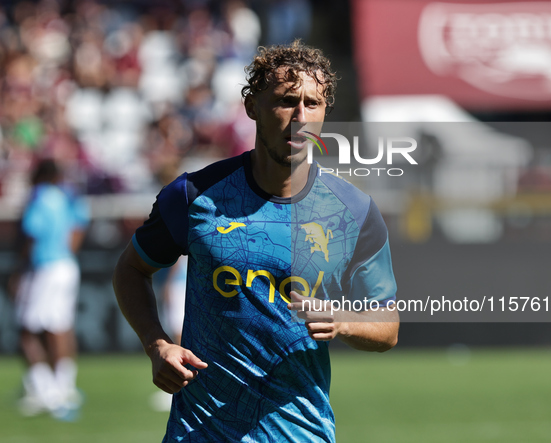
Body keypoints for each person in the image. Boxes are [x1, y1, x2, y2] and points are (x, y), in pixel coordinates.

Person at [113, 40, 399, 442]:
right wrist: (156, 344)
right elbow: (131, 268)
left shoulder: (353, 210)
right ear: (252, 107)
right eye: (285, 101)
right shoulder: (195, 195)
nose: (300, 116)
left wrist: (343, 321)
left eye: (312, 104)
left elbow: (387, 326)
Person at [9, 158, 89, 420]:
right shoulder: (68, 195)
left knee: (27, 330)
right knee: (61, 327)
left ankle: (47, 392)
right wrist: (67, 252)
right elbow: (79, 225)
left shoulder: (39, 196)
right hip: (66, 265)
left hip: (44, 267)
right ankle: (64, 386)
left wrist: (20, 269)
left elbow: (33, 233)